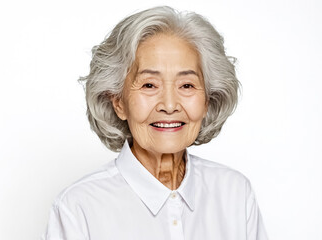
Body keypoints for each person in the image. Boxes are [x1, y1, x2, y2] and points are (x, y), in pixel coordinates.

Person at [42, 6, 268, 240]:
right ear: (118, 102)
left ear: (208, 100)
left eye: (187, 85)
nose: (169, 105)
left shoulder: (235, 194)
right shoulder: (78, 208)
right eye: (149, 85)